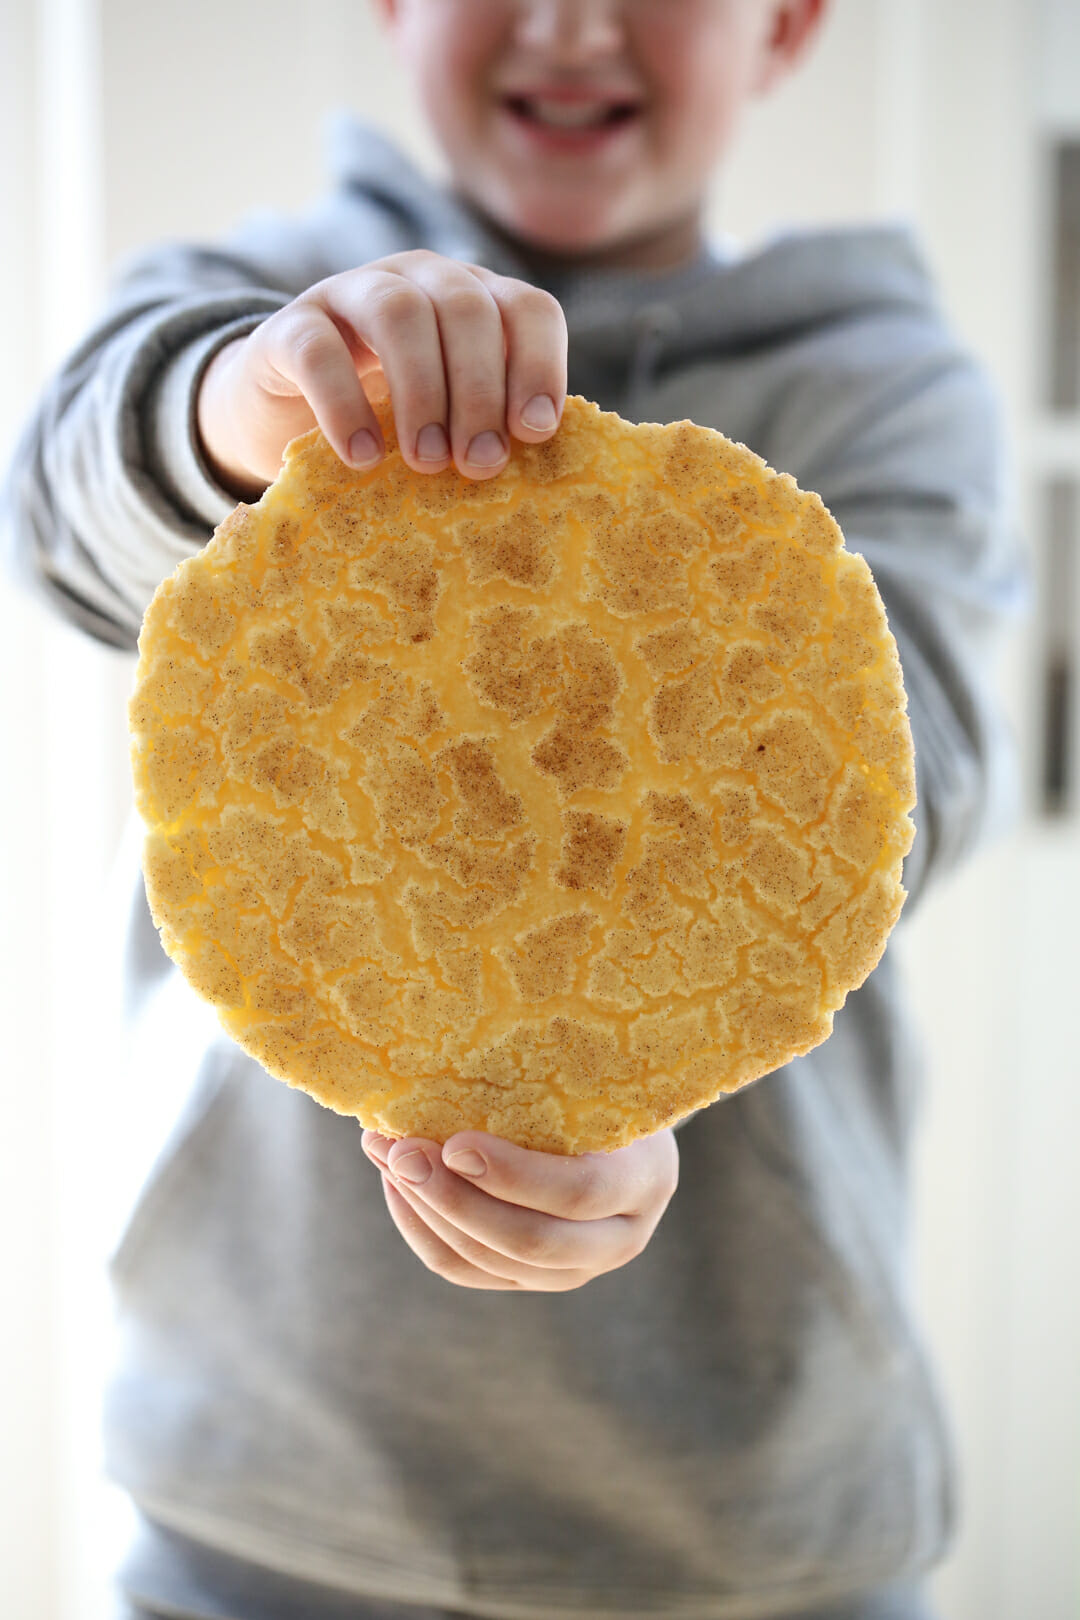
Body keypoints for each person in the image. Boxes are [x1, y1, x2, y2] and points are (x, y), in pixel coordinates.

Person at [1, 1, 1026, 1617]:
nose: (570, 23)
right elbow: (64, 510)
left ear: (789, 24)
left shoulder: (883, 382)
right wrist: (246, 406)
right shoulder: (268, 308)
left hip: (750, 1520)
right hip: (266, 1495)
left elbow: (924, 770)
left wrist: (627, 1062)